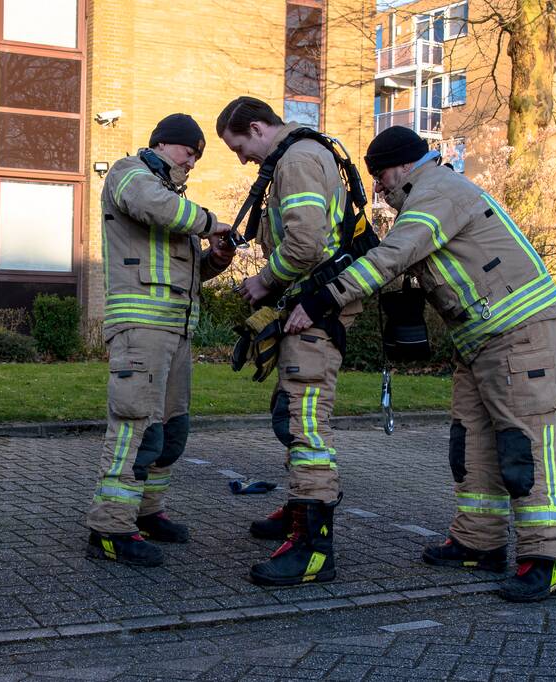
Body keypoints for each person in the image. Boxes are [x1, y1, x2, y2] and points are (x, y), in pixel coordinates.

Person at [285, 125, 556, 602]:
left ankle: (547, 555)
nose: (378, 187)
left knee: (525, 447)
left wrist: (325, 298)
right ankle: (477, 542)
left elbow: (397, 255)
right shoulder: (430, 194)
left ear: (401, 165)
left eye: (379, 175)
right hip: (481, 339)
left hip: (519, 334)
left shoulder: (437, 192)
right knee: (473, 445)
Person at [217, 96, 362, 586]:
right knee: (293, 418)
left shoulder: (297, 160)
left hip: (314, 312)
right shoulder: (301, 155)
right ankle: (299, 515)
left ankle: (313, 550)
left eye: (240, 148)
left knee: (307, 429)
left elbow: (304, 243)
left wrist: (263, 281)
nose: (243, 160)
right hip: (307, 310)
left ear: (257, 128)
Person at [86, 113, 236, 567]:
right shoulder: (129, 174)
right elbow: (158, 210)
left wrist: (216, 259)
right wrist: (211, 223)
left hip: (175, 332)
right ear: (167, 144)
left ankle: (147, 513)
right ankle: (110, 527)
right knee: (134, 426)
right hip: (141, 331)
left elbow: (187, 275)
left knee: (170, 431)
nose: (192, 164)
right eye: (190, 153)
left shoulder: (173, 201)